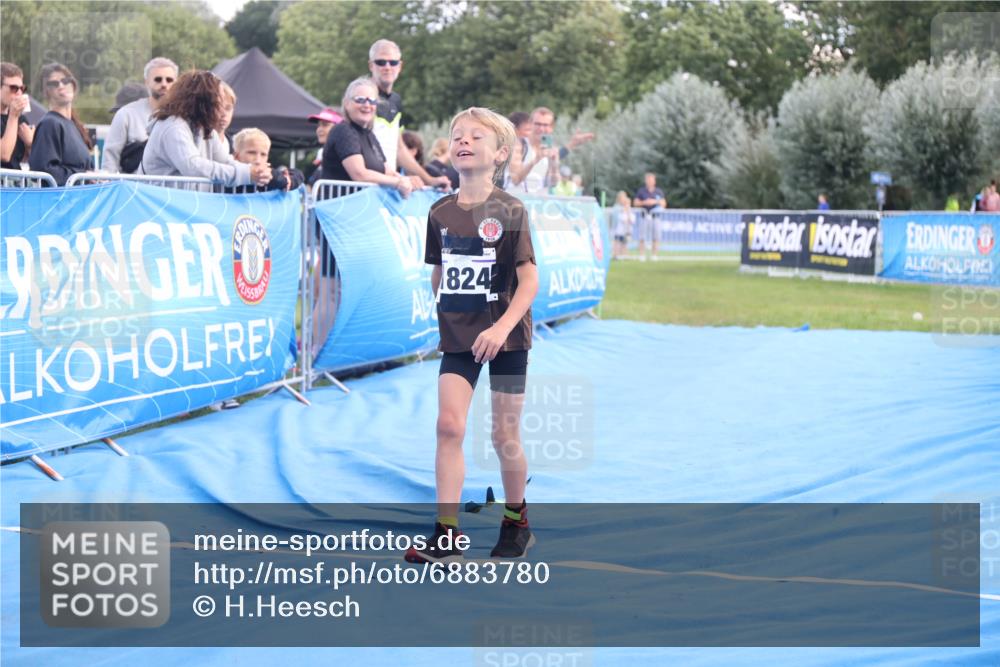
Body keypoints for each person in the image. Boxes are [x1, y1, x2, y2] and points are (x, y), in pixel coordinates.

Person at [405, 107, 539, 564]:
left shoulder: (510, 210)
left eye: (475, 137)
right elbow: (439, 273)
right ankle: (446, 535)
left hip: (508, 339)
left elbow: (530, 281)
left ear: (500, 152)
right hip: (460, 338)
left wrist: (501, 327)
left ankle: (516, 520)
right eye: (456, 135)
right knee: (449, 426)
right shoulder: (439, 212)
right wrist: (452, 309)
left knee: (504, 435)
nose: (462, 141)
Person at [141, 70, 270, 187]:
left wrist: (259, 173)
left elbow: (225, 161)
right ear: (202, 102)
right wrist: (247, 174)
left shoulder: (204, 129)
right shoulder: (173, 127)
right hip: (161, 207)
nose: (221, 110)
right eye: (217, 102)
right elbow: (193, 167)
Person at [367, 39, 450, 189]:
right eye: (381, 62)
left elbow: (400, 149)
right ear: (371, 65)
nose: (387, 67)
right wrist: (398, 179)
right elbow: (362, 147)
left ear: (400, 66)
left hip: (388, 185)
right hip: (366, 186)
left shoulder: (396, 100)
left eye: (393, 62)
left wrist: (428, 179)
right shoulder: (364, 97)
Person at [319, 77, 413, 197]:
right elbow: (359, 174)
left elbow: (388, 172)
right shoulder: (343, 130)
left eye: (372, 101)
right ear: (347, 104)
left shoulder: (369, 134)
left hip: (363, 209)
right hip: (339, 210)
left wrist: (408, 181)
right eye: (360, 100)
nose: (367, 105)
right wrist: (398, 182)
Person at [102, 57, 177, 173]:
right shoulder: (126, 114)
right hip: (134, 188)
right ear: (146, 82)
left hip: (170, 188)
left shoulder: (184, 116)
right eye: (158, 79)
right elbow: (110, 158)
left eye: (169, 80)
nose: (164, 84)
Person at [28, 63, 92, 185]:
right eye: (54, 83)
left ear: (73, 85)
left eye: (65, 80)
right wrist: (83, 177)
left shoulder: (74, 125)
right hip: (60, 201)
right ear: (46, 92)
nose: (61, 86)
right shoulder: (49, 124)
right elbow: (43, 172)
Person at [507, 106, 594, 195]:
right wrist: (536, 159)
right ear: (530, 124)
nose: (541, 129)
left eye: (545, 125)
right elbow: (516, 180)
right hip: (514, 203)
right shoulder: (518, 145)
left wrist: (554, 165)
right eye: (537, 124)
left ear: (551, 128)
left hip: (535, 204)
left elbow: (554, 184)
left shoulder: (549, 150)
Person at [227, 128, 299, 193]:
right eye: (251, 153)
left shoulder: (269, 179)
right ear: (236, 156)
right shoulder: (223, 176)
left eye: (263, 154)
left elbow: (298, 174)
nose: (258, 160)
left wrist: (284, 180)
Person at [1, 62, 34, 169]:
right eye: (14, 88)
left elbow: (28, 160)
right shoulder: (15, 116)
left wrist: (30, 144)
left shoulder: (21, 119)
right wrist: (13, 116)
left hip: (16, 183)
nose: (19, 93)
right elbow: (4, 155)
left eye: (22, 88)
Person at [633, 172, 667, 259]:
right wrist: (645, 202)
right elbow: (635, 202)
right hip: (644, 216)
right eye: (648, 180)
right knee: (642, 237)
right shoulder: (641, 191)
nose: (650, 181)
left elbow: (664, 203)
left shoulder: (658, 191)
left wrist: (654, 202)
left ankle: (654, 255)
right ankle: (641, 255)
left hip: (656, 217)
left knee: (656, 236)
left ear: (654, 181)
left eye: (651, 180)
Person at [307, 106, 342, 184]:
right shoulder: (327, 153)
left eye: (325, 125)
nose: (319, 129)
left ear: (340, 127)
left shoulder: (345, 155)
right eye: (318, 125)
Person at [611, 190, 634, 259]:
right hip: (617, 228)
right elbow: (618, 218)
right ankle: (615, 254)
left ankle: (623, 254)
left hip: (625, 229)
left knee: (624, 242)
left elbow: (631, 218)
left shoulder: (627, 208)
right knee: (617, 241)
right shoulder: (616, 207)